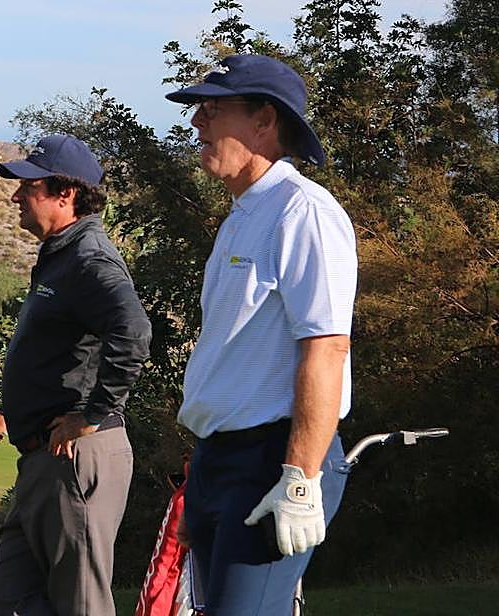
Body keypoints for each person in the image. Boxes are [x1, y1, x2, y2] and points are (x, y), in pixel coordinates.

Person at [165, 53, 356, 615]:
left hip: (274, 461)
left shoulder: (304, 212)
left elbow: (326, 346)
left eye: (212, 109)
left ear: (264, 122)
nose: (196, 123)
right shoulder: (242, 216)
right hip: (218, 463)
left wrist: (300, 478)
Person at [0, 133, 152, 616]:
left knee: (81, 606)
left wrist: (91, 415)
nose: (15, 196)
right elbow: (66, 356)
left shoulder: (90, 260)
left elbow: (133, 334)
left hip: (75, 453)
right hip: (43, 458)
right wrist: (13, 413)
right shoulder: (61, 257)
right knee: (11, 592)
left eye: (27, 186)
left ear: (65, 194)